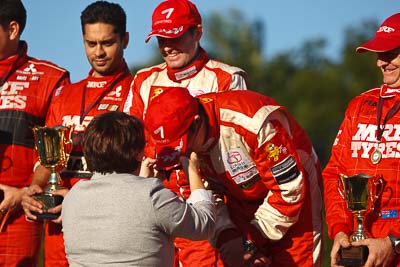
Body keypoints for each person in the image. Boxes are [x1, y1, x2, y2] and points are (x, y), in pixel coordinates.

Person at [123, 0, 249, 265]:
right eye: (161, 39)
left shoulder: (226, 78)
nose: (168, 47)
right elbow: (129, 145)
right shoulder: (144, 80)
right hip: (157, 206)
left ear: (197, 32)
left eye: (176, 37)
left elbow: (236, 151)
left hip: (207, 209)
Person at [142, 87, 323, 267]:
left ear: (196, 123)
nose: (183, 153)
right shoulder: (176, 146)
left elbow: (290, 188)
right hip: (238, 199)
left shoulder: (253, 121)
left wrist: (251, 240)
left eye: (182, 145)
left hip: (295, 195)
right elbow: (199, 195)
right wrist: (226, 235)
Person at [20, 1, 133, 266]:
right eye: (90, 44)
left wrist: (79, 201)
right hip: (60, 226)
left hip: (109, 225)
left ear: (125, 40)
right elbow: (46, 160)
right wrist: (35, 190)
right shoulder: (65, 93)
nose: (99, 52)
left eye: (107, 42)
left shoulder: (137, 90)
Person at [62, 111, 215, 267]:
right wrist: (193, 171)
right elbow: (204, 224)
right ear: (138, 153)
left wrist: (141, 181)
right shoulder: (151, 195)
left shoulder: (73, 196)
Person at [323, 13, 400, 267]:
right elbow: (334, 174)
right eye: (379, 54)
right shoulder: (359, 106)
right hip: (361, 250)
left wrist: (394, 242)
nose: (381, 62)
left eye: (390, 53)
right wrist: (341, 231)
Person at [0, 0, 70, 266]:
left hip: (21, 212)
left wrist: (24, 193)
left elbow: (56, 149)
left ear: (13, 29)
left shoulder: (50, 77)